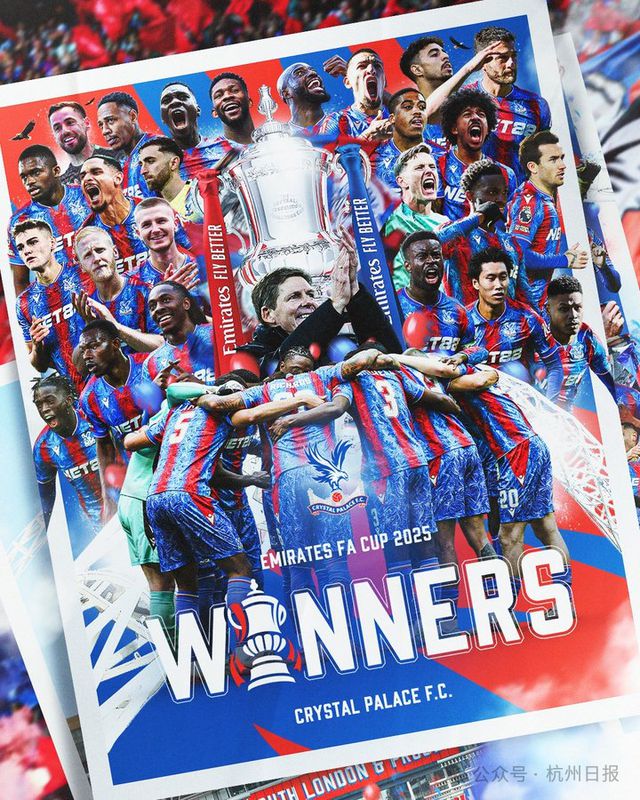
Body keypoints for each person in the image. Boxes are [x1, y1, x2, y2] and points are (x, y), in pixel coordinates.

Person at [124, 378, 321, 623]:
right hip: (190, 495)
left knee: (186, 585)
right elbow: (253, 414)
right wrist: (300, 399)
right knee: (240, 570)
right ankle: (243, 643)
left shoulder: (175, 413)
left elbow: (131, 441)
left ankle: (192, 648)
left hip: (156, 499)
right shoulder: (221, 411)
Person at [447, 364, 571, 597]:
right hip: (529, 446)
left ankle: (507, 604)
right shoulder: (479, 373)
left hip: (517, 452)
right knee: (545, 526)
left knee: (509, 536)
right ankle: (564, 598)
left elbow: (475, 380)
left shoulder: (463, 382)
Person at [239, 230, 401, 375]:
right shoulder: (252, 359)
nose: (308, 301)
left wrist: (355, 293)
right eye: (294, 296)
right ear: (268, 314)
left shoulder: (340, 342)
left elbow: (393, 359)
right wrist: (335, 304)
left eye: (311, 294)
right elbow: (285, 361)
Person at [382, 144, 496, 290]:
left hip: (438, 301)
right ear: (401, 181)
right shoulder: (389, 217)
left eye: (432, 167)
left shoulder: (445, 222)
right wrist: (476, 218)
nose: (429, 171)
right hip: (401, 301)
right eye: (419, 168)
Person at [467, 247, 563, 401]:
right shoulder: (461, 321)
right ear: (476, 283)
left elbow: (555, 366)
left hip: (521, 403)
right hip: (477, 405)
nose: (498, 285)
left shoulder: (528, 318)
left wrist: (550, 407)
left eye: (503, 277)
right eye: (491, 278)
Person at [507, 131, 588, 310]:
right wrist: (564, 260)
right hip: (522, 308)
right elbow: (517, 254)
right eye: (553, 160)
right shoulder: (530, 203)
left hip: (537, 306)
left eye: (562, 158)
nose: (562, 166)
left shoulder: (545, 197)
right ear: (533, 167)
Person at [78, 320, 149, 520]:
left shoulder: (148, 366)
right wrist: (108, 498)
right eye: (83, 350)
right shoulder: (89, 397)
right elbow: (104, 445)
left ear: (116, 344)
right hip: (139, 480)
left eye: (93, 346)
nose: (86, 356)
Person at [466, 26, 551, 180]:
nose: (511, 63)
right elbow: (429, 113)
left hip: (521, 193)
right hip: (477, 191)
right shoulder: (463, 100)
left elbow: (544, 158)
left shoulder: (537, 104)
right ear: (483, 62)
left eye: (513, 56)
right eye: (503, 58)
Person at [441, 159, 530, 307]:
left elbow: (524, 296)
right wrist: (478, 217)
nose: (501, 199)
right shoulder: (453, 233)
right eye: (492, 192)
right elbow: (431, 245)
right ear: (470, 196)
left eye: (504, 193)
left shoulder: (511, 243)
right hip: (464, 320)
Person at [8, 144, 90, 295]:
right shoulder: (19, 221)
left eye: (36, 173)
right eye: (24, 177)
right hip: (58, 301)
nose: (29, 181)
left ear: (56, 171)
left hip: (100, 291)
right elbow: (20, 281)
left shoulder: (85, 196)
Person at [14, 219, 85, 391]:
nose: (27, 250)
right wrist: (38, 346)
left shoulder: (83, 273)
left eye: (33, 242)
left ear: (52, 243)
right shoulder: (23, 303)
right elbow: (40, 366)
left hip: (110, 379)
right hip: (77, 393)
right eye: (21, 247)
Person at [398, 34, 505, 148]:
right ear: (417, 70)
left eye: (444, 52)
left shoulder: (474, 104)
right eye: (434, 54)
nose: (445, 56)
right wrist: (468, 69)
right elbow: (427, 113)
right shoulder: (403, 117)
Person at [397, 230, 486, 365]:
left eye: (436, 255)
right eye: (422, 257)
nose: (431, 261)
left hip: (450, 377)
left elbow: (478, 350)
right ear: (408, 266)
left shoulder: (458, 310)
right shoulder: (394, 306)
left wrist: (463, 356)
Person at [72, 226, 162, 353]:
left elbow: (164, 345)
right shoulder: (86, 307)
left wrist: (115, 327)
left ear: (115, 252)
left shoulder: (145, 291)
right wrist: (91, 329)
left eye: (100, 250)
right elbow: (79, 363)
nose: (96, 258)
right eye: (87, 255)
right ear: (81, 266)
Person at [32, 373, 101, 536]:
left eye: (50, 401)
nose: (44, 409)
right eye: (39, 404)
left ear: (68, 400)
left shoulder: (94, 418)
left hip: (128, 505)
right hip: (98, 525)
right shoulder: (43, 447)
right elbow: (45, 499)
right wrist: (39, 536)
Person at [437, 88, 516, 220]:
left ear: (488, 128)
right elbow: (431, 216)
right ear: (454, 128)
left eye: (481, 114)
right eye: (467, 114)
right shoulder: (437, 164)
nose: (475, 117)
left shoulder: (506, 173)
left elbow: (510, 219)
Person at [546, 275, 615, 409]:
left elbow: (613, 387)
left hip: (562, 417)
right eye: (564, 309)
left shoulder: (588, 340)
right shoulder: (533, 337)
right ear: (549, 309)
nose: (573, 315)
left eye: (577, 308)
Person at [142, 282, 215, 386]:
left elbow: (239, 379)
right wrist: (155, 391)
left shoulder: (218, 335)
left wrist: (204, 386)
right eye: (152, 307)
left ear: (186, 304)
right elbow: (148, 397)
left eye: (166, 300)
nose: (158, 309)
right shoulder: (151, 363)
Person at [159, 81, 230, 180]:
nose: (174, 102)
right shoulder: (158, 163)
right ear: (162, 118)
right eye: (166, 101)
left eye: (183, 97)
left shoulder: (227, 147)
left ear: (198, 110)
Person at [319, 49, 392, 141]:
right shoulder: (337, 121)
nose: (371, 69)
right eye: (362, 66)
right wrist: (367, 137)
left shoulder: (399, 118)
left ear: (384, 82)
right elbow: (323, 150)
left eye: (377, 66)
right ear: (347, 82)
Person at [97, 91, 154, 199]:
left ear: (132, 116)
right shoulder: (120, 165)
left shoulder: (161, 149)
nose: (105, 131)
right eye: (101, 125)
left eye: (110, 120)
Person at [132, 197, 198, 287]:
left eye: (161, 221)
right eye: (146, 225)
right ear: (138, 233)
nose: (155, 230)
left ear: (175, 223)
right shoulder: (131, 282)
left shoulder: (206, 269)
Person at [373, 88, 429, 191]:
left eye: (422, 107)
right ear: (392, 118)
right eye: (408, 107)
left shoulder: (441, 155)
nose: (418, 112)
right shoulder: (376, 157)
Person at [47, 101, 112, 186]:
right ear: (54, 136)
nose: (65, 131)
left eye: (70, 123)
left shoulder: (118, 157)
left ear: (86, 123)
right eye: (57, 128)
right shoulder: (63, 186)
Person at [138, 137, 202, 224]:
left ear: (173, 163)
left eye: (150, 161)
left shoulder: (200, 193)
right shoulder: (154, 212)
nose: (142, 171)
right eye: (141, 165)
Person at [277, 62, 331, 134]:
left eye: (313, 70)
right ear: (287, 93)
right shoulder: (281, 136)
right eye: (299, 73)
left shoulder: (342, 122)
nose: (313, 73)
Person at [209, 72, 255, 147]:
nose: (227, 96)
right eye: (218, 95)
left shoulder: (270, 140)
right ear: (215, 113)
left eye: (235, 90)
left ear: (249, 102)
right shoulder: (212, 151)